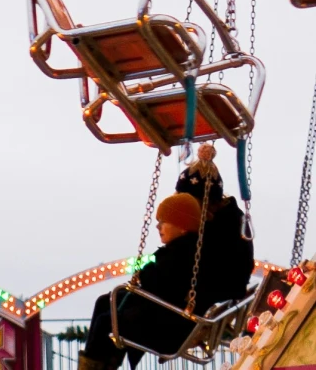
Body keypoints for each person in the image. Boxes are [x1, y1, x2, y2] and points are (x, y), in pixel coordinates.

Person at [78, 145, 255, 370]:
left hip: (181, 316)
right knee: (108, 303)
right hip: (184, 305)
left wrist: (146, 274)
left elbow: (175, 276)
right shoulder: (220, 228)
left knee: (110, 316)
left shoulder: (207, 239)